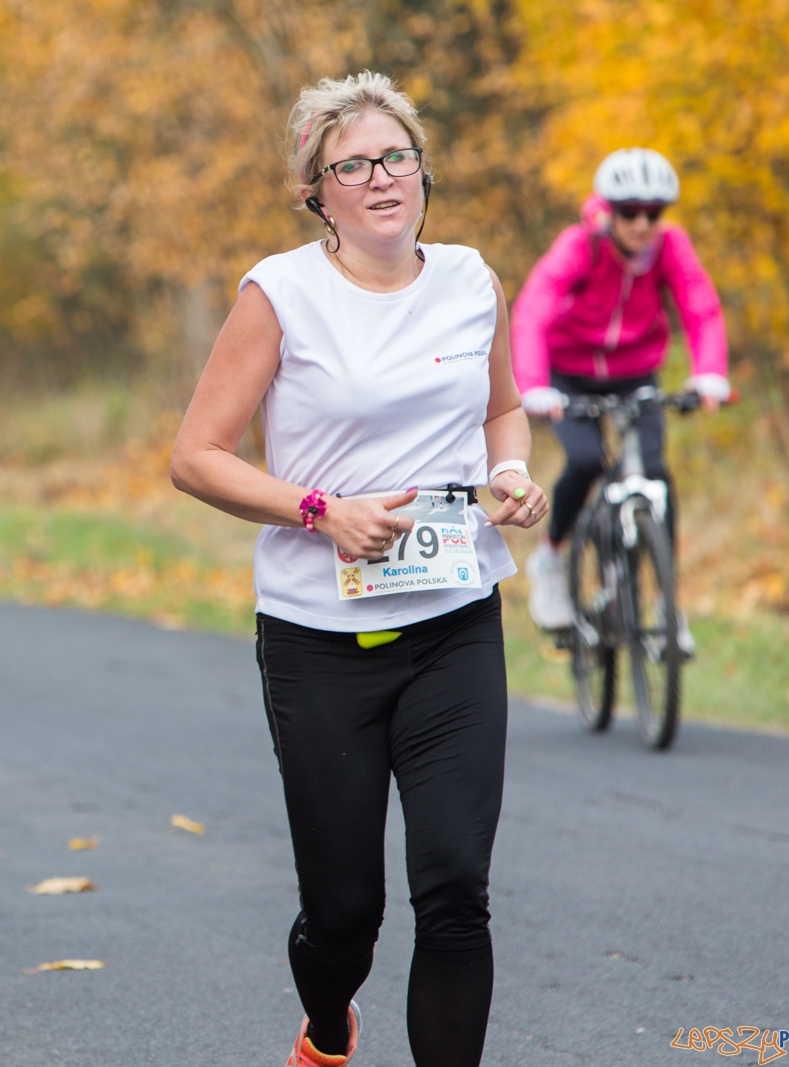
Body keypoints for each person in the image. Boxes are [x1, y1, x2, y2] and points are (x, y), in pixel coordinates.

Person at [170, 71, 547, 1067]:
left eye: (396, 158)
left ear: (424, 171)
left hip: (454, 617)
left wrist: (509, 470)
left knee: (455, 888)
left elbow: (499, 406)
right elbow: (196, 455)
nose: (380, 177)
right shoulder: (280, 292)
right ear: (316, 191)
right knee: (344, 912)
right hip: (317, 637)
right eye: (352, 165)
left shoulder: (471, 278)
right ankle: (328, 1028)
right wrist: (319, 510)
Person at [512, 148, 729, 632]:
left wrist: (709, 372)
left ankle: (666, 600)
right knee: (587, 461)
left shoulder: (672, 247)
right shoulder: (580, 245)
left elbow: (701, 307)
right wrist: (533, 384)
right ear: (609, 208)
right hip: (569, 376)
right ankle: (549, 558)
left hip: (636, 375)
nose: (641, 223)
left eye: (653, 213)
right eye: (629, 211)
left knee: (655, 475)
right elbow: (533, 310)